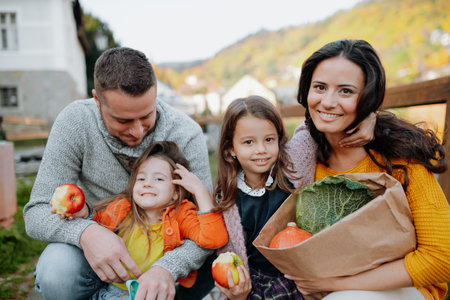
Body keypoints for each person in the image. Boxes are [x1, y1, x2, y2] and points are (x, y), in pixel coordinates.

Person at [23, 47, 214, 300]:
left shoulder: (186, 133)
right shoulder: (75, 122)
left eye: (147, 115)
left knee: (211, 258)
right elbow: (36, 212)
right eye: (123, 120)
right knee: (56, 270)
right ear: (97, 100)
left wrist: (167, 268)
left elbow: (206, 221)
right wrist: (85, 233)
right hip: (92, 247)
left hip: (165, 256)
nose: (137, 132)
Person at [285, 39, 450, 300]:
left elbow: (442, 257)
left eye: (346, 91)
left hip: (404, 290)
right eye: (320, 87)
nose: (327, 102)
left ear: (368, 98)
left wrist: (335, 285)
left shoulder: (398, 158)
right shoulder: (304, 158)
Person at [54, 141, 228, 299]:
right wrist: (82, 211)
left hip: (156, 293)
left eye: (158, 179)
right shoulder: (122, 208)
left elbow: (214, 238)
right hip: (112, 291)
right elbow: (97, 221)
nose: (147, 183)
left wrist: (199, 190)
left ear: (176, 192)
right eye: (141, 178)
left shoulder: (182, 215)